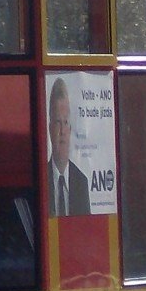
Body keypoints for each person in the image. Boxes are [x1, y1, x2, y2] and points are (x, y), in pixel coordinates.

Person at [48, 75, 93, 217]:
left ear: (70, 129)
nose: (62, 131)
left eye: (65, 122)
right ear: (49, 129)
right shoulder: (42, 179)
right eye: (57, 122)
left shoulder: (81, 182)